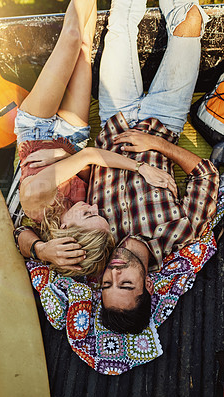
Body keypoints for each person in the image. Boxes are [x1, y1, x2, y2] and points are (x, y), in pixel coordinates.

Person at [14, 0, 174, 278]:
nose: (93, 205)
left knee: (73, 38)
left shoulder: (34, 198)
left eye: (89, 215)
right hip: (71, 140)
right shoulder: (80, 208)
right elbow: (85, 163)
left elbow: (89, 158)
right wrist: (63, 156)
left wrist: (141, 168)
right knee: (86, 47)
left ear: (65, 230)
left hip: (37, 130)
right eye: (98, 213)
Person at [88, 0, 220, 333]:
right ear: (147, 286)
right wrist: (158, 145)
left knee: (119, 23)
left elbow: (24, 236)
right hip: (165, 117)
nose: (115, 274)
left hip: (114, 117)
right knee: (189, 20)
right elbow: (207, 175)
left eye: (107, 285)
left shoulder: (95, 244)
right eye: (126, 284)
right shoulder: (182, 235)